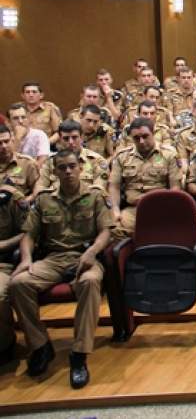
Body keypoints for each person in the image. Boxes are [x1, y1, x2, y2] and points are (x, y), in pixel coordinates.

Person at [9, 150, 111, 388]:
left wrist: (93, 251)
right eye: (62, 167)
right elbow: (29, 235)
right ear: (54, 171)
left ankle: (79, 354)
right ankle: (40, 345)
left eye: (72, 166)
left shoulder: (95, 196)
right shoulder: (44, 199)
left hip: (84, 257)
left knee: (89, 282)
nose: (68, 171)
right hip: (53, 258)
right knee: (18, 284)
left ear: (80, 168)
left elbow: (106, 231)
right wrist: (26, 259)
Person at [0, 124, 40, 364]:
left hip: (8, 253)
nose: (3, 146)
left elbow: (29, 228)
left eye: (6, 141)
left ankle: (5, 346)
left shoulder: (24, 168)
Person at [108, 118, 183, 239]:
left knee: (172, 232)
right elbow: (114, 186)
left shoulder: (169, 154)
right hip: (134, 210)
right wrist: (115, 209)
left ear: (153, 134)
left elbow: (175, 187)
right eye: (136, 138)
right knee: (114, 230)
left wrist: (169, 209)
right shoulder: (122, 156)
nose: (141, 141)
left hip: (162, 207)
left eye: (145, 136)